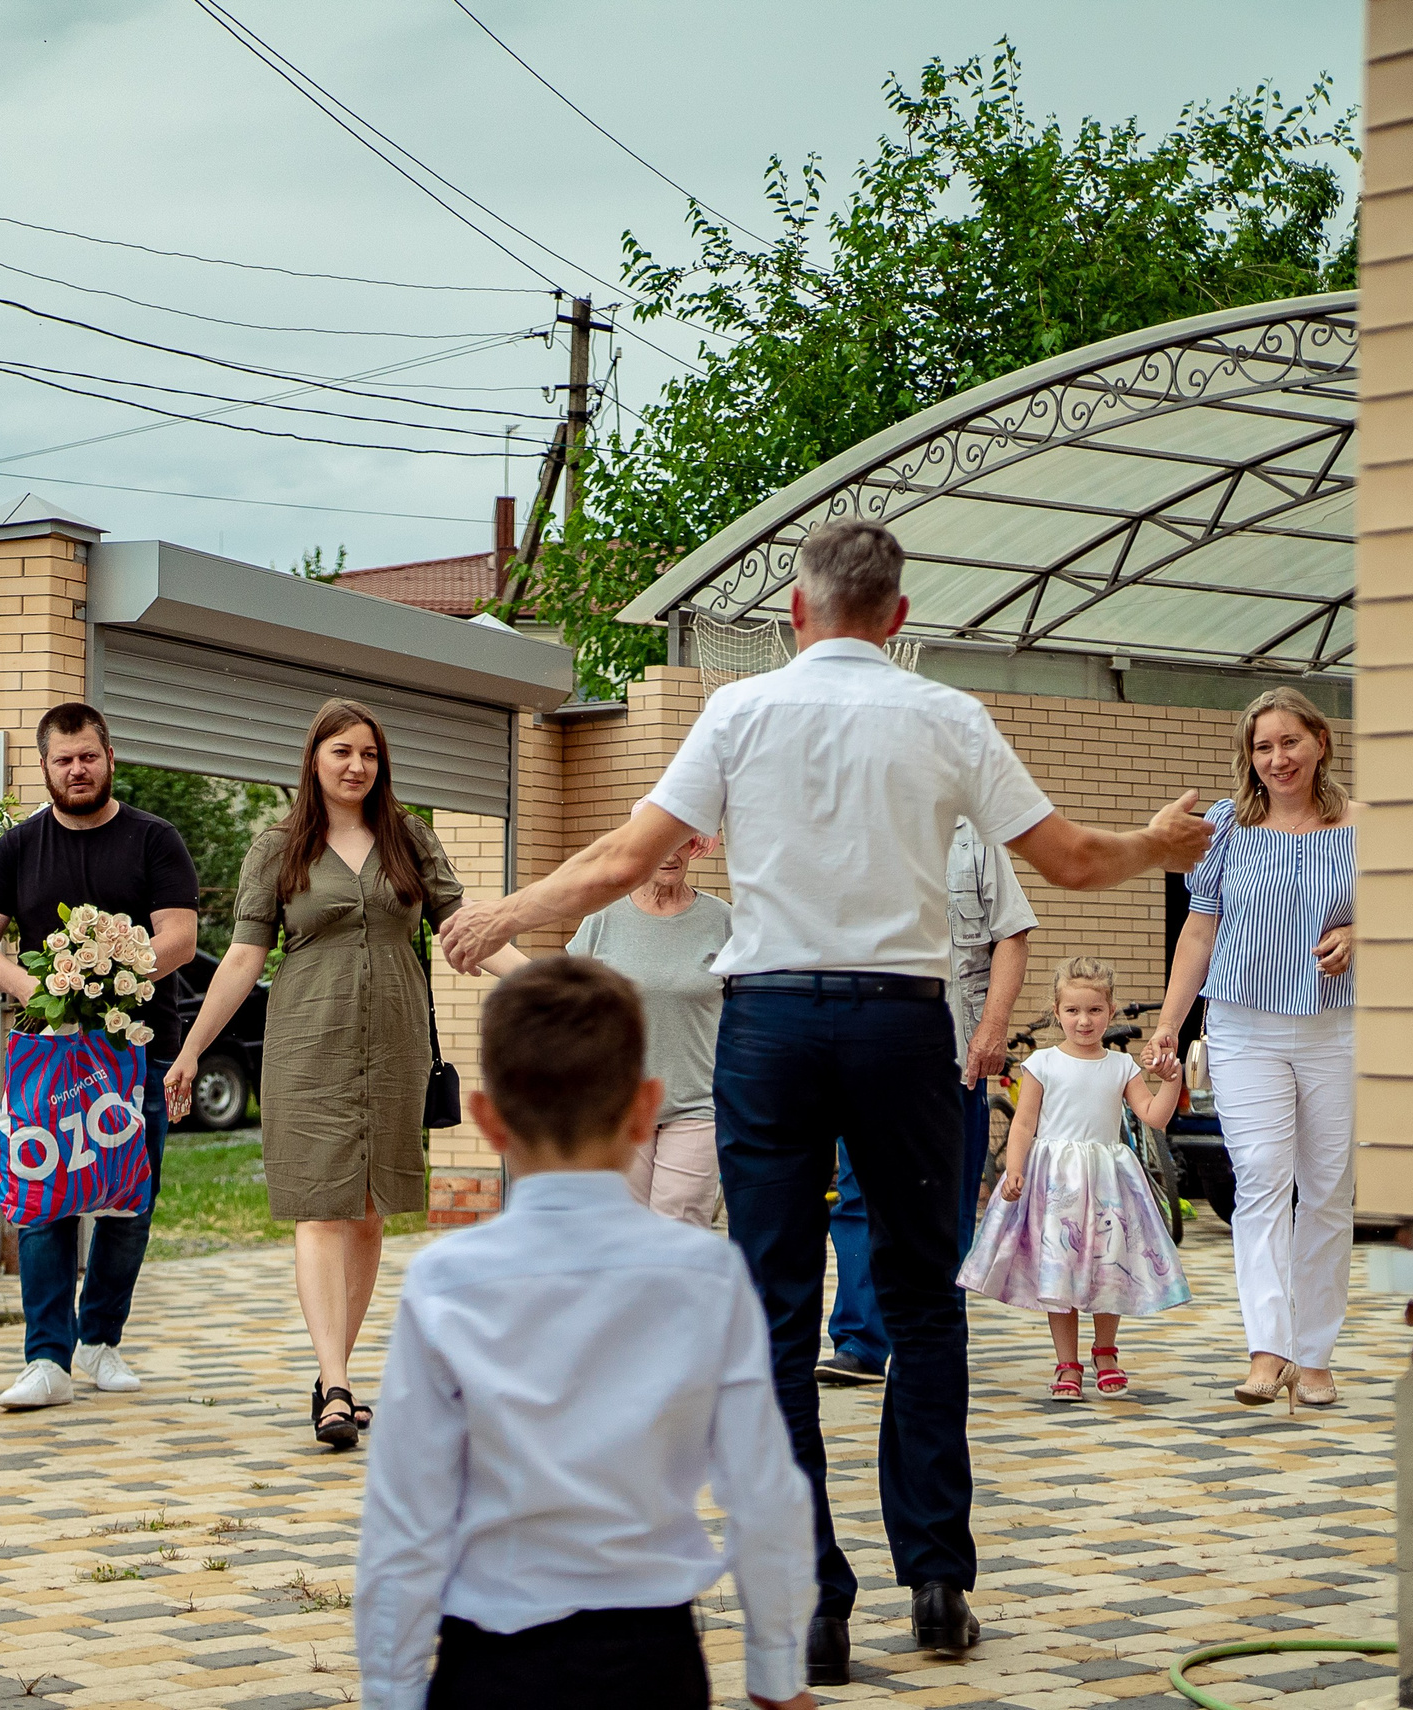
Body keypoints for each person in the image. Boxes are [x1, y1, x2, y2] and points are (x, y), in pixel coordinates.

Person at [438, 517, 1212, 1681]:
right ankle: (940, 1584)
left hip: (772, 1027)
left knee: (774, 1313)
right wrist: (1158, 846)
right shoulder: (946, 714)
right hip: (904, 1026)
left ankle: (811, 1608)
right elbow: (1066, 862)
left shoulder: (739, 712)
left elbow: (617, 855)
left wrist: (505, 911)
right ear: (899, 620)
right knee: (921, 1302)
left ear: (793, 614)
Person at [354, 957, 817, 1710]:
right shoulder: (706, 1275)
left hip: (492, 1662)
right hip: (652, 1661)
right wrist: (775, 1669)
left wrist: (390, 1692)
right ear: (646, 1108)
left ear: (487, 1117)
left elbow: (406, 1515)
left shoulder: (446, 1283)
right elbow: (764, 1489)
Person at [166, 698, 524, 1449]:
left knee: (366, 1210)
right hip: (308, 1043)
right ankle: (334, 1384)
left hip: (393, 1045)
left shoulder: (410, 840)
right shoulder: (277, 848)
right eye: (341, 753)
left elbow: (465, 931)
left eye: (367, 753)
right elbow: (241, 958)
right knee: (321, 1207)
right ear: (316, 761)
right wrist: (193, 1047)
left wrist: (545, 989)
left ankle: (338, 1371)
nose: (356, 765)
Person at [0, 702, 202, 1411]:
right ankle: (46, 1359)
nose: (77, 770)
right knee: (43, 1200)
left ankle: (99, 1341)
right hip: (49, 1057)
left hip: (137, 1054)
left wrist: (107, 981)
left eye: (88, 756)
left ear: (109, 756)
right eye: (63, 759)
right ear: (44, 766)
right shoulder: (19, 846)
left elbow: (181, 938)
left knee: (128, 1201)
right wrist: (33, 987)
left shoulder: (154, 840)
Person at [1148, 686, 1355, 1408]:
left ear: (1319, 742)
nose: (1277, 759)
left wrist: (1363, 934)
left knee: (1326, 1192)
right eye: (1263, 747)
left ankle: (1315, 1353)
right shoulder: (1224, 826)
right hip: (1242, 1027)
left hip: (1336, 1028)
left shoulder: (1366, 827)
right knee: (1262, 1181)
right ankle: (1268, 1351)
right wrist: (1171, 1023)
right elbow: (1199, 930)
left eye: (1289, 742)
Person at [818, 818, 1037, 1387]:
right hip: (862, 1055)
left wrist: (993, 1027)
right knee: (858, 1200)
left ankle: (933, 1344)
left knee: (945, 1211)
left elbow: (1010, 934)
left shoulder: (973, 837)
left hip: (953, 1057)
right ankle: (860, 1345)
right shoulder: (847, 827)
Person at [958, 957, 1190, 1399]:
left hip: (1106, 1183)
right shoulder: (1043, 1064)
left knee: (1109, 1265)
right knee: (1059, 1267)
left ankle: (1106, 1352)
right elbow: (1024, 1124)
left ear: (1111, 1010)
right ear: (1057, 1011)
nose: (1084, 1021)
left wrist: (1170, 1081)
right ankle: (1067, 1363)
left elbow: (1153, 1118)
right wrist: (1016, 1167)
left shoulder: (1121, 1068)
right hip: (1056, 1184)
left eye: (1095, 1011)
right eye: (1073, 1011)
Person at [562, 814, 729, 1226]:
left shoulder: (723, 920)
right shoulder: (602, 918)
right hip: (620, 1103)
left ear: (695, 846)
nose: (670, 855)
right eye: (658, 843)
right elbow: (572, 1001)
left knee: (679, 1229)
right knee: (625, 1230)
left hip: (698, 1103)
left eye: (680, 843)